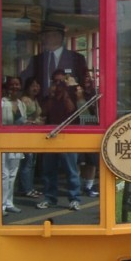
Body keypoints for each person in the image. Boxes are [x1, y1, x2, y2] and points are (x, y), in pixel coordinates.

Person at [36, 69, 81, 211]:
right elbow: (44, 112)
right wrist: (51, 95)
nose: (58, 84)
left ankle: (74, 199)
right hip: (52, 136)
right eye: (55, 81)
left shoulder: (72, 95)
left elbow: (72, 109)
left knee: (71, 170)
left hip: (69, 136)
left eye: (61, 81)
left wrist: (66, 93)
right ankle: (50, 198)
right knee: (49, 171)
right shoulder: (49, 98)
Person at [20, 20, 89, 99]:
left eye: (45, 35)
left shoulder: (77, 59)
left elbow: (85, 84)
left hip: (69, 107)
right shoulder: (37, 60)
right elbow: (25, 80)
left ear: (58, 37)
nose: (42, 39)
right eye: (42, 36)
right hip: (42, 107)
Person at [1, 76, 26, 214]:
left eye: (17, 84)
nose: (15, 87)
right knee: (3, 175)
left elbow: (24, 120)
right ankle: (1, 204)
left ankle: (9, 202)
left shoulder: (21, 104)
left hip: (16, 141)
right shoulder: (2, 103)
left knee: (12, 174)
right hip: (3, 140)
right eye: (12, 85)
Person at [17, 76, 44, 198]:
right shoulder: (24, 100)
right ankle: (25, 188)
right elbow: (23, 119)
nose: (36, 88)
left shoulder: (35, 100)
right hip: (26, 134)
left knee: (32, 162)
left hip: (35, 135)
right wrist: (34, 121)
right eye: (33, 85)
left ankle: (30, 187)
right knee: (27, 162)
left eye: (37, 85)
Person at [75, 73, 99, 197]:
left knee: (92, 160)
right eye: (85, 79)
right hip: (77, 130)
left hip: (91, 128)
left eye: (89, 78)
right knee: (78, 160)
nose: (87, 81)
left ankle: (88, 186)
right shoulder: (74, 95)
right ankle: (77, 185)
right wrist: (79, 97)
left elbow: (94, 113)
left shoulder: (95, 95)